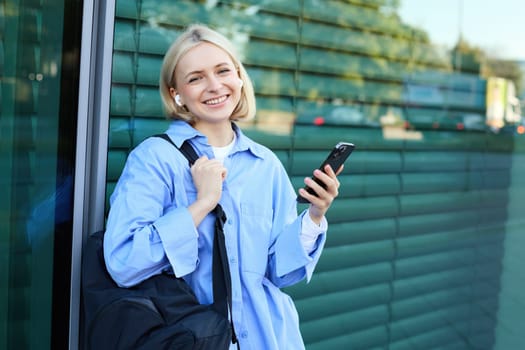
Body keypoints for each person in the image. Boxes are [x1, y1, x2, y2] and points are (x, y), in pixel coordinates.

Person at [103, 23, 342, 349]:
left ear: (239, 78)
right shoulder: (154, 159)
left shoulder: (265, 164)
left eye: (223, 71)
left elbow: (281, 274)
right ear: (176, 94)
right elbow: (124, 263)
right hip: (194, 339)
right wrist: (202, 204)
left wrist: (315, 215)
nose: (214, 86)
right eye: (195, 78)